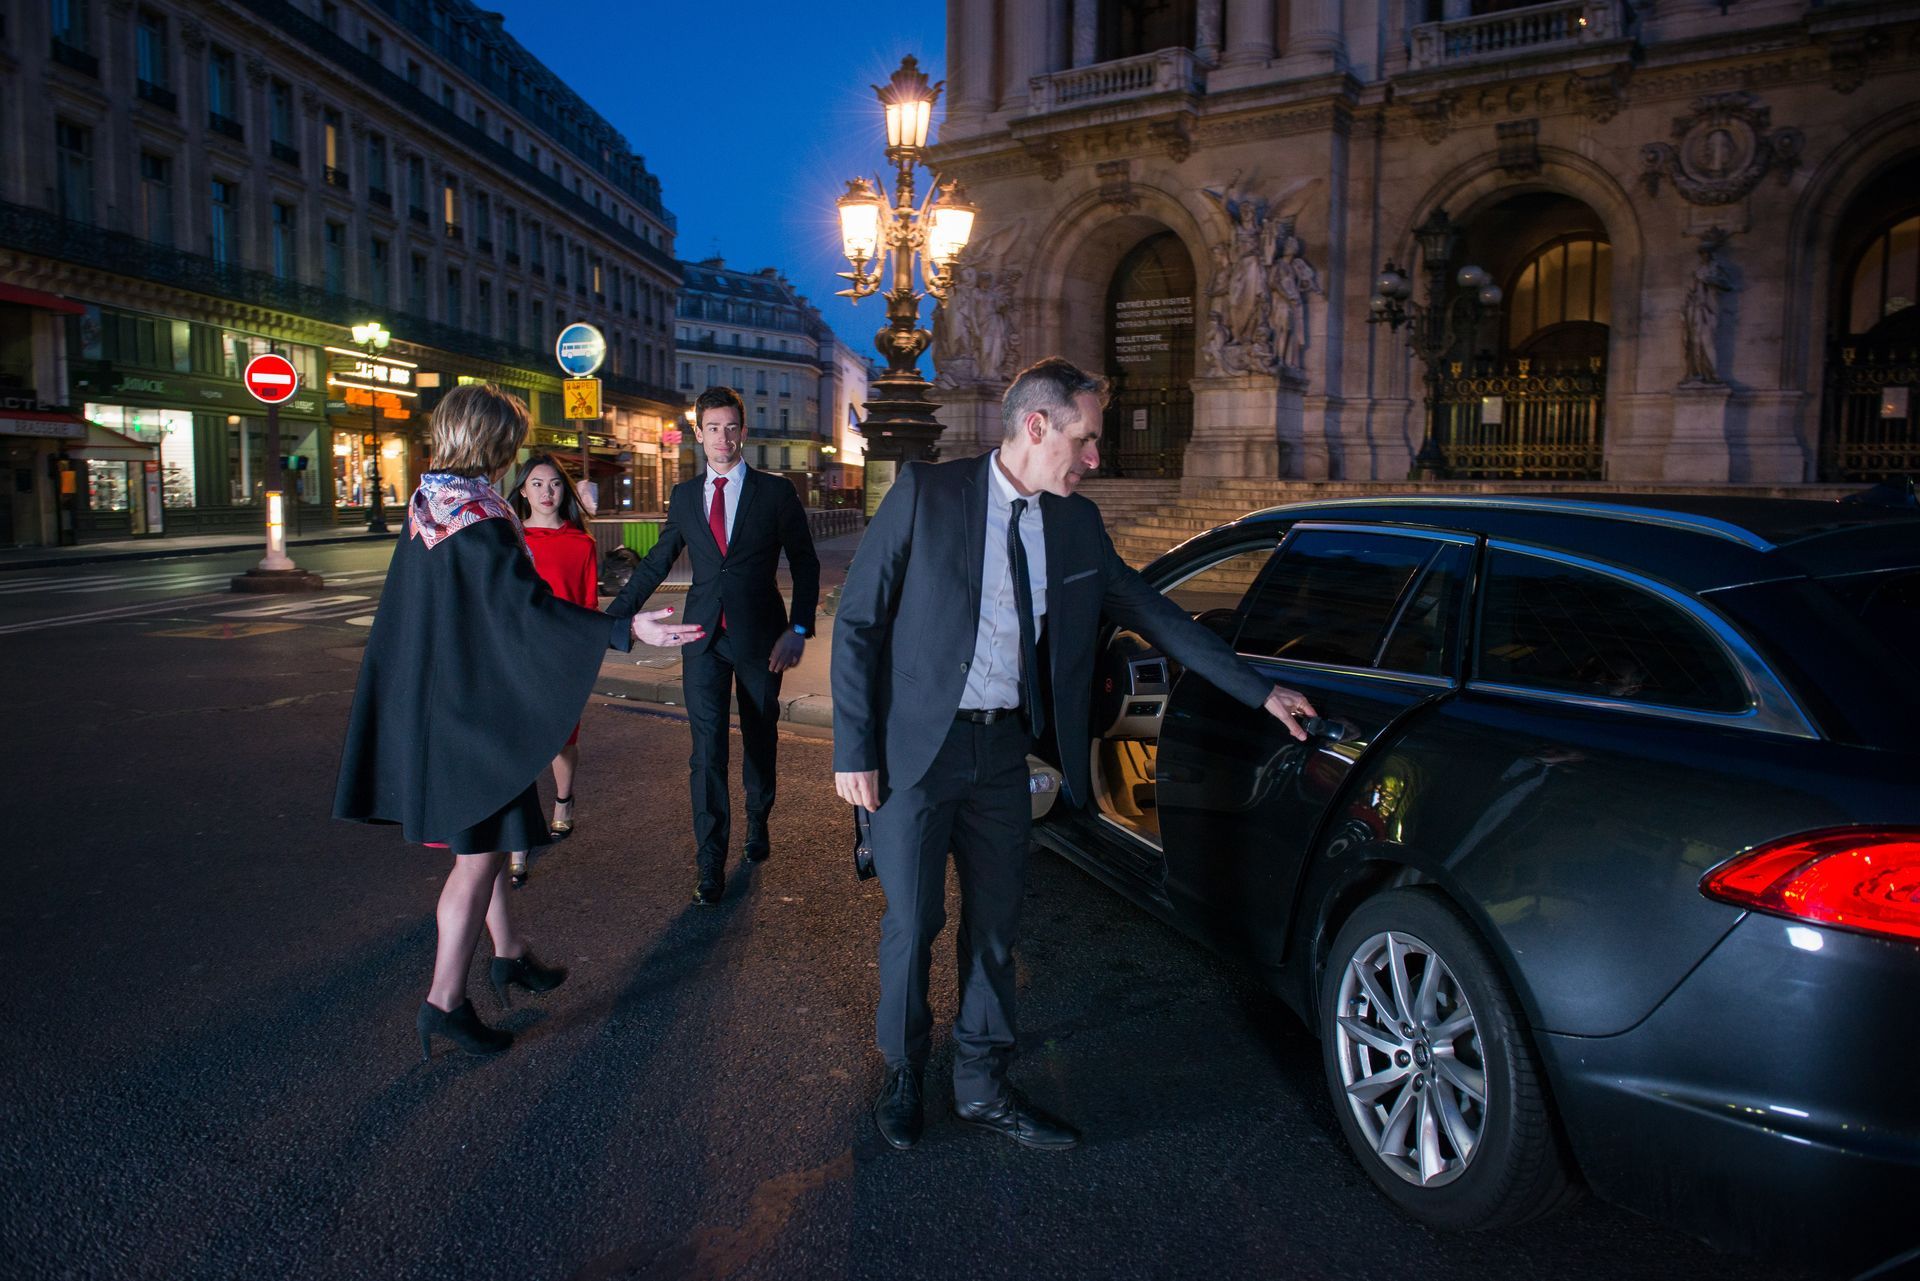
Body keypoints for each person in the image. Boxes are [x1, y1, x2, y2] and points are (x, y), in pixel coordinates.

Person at [832, 356, 1319, 1152]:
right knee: (913, 921)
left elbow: (1155, 612)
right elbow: (857, 622)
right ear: (1037, 426)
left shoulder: (1076, 523)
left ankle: (983, 1084)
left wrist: (1257, 689)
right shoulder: (929, 492)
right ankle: (905, 1071)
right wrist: (854, 748)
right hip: (914, 750)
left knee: (995, 926)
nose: (1096, 457)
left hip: (1002, 751)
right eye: (1086, 440)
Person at [334, 384, 702, 1060]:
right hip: (472, 719)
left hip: (441, 707)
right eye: (510, 440)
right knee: (475, 865)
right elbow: (526, 614)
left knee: (500, 838)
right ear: (492, 442)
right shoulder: (479, 518)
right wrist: (623, 629)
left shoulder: (427, 504)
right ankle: (444, 1002)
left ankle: (509, 955)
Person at [606, 385, 821, 906]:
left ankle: (758, 819)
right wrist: (615, 617)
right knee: (706, 752)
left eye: (731, 427)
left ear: (743, 433)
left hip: (761, 639)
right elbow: (657, 562)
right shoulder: (684, 497)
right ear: (698, 435)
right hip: (701, 638)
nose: (722, 437)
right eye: (713, 428)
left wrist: (797, 630)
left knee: (759, 735)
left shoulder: (775, 493)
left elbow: (806, 562)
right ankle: (710, 859)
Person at [504, 453, 600, 888]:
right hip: (519, 655)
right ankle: (518, 844)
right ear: (522, 490)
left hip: (563, 657)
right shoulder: (509, 539)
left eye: (555, 484)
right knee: (518, 752)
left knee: (563, 741)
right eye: (537, 484)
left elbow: (586, 605)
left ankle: (564, 799)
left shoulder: (582, 543)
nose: (547, 492)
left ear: (566, 490)